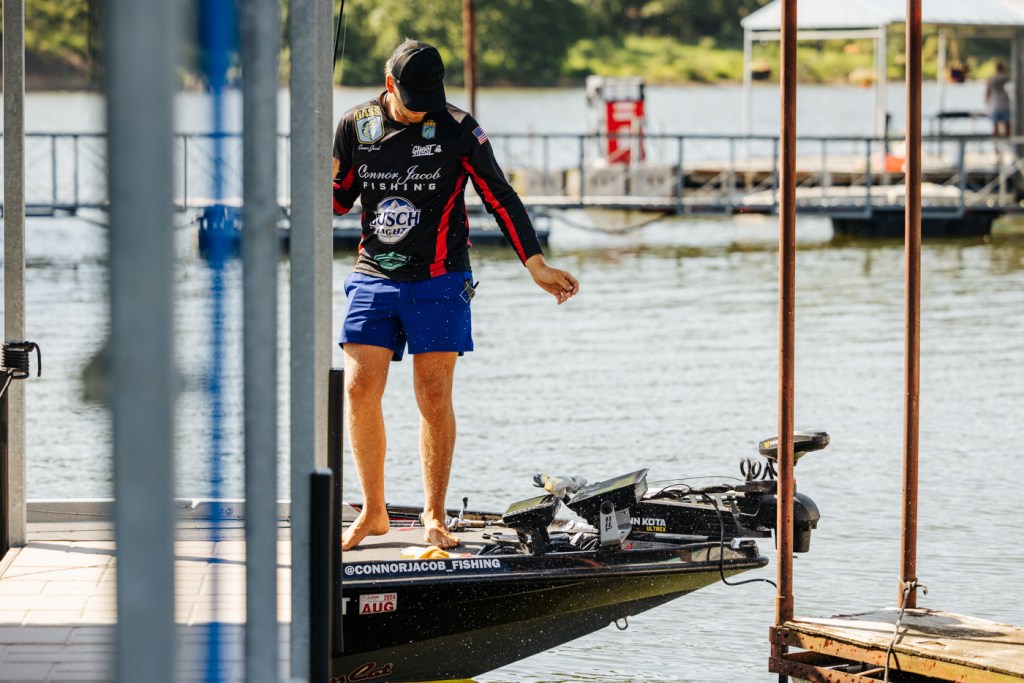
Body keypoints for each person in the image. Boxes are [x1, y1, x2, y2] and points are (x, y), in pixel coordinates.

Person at [333, 39, 579, 551]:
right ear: (389, 85)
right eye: (413, 101)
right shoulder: (356, 125)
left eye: (430, 99)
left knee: (433, 393)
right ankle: (374, 511)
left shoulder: (459, 128)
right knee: (358, 389)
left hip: (442, 277)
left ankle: (433, 513)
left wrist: (535, 263)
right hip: (375, 273)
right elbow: (337, 202)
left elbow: (499, 195)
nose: (423, 109)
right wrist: (321, 170)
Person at [985, 60, 1012, 138]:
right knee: (1008, 127)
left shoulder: (992, 78)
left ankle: (996, 144)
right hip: (1005, 103)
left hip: (995, 104)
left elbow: (987, 93)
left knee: (995, 127)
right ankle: (1009, 142)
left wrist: (987, 104)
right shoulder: (1006, 77)